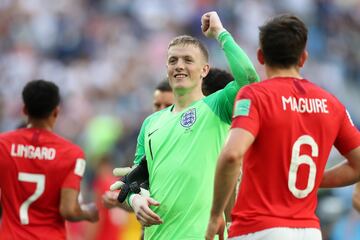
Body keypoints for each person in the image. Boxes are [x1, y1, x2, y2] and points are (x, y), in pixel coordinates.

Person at [205, 14, 360, 240]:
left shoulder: (256, 96)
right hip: (309, 232)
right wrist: (310, 177)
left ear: (260, 56)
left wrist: (215, 215)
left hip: (258, 229)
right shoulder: (330, 104)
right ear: (303, 58)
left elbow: (231, 155)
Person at [111, 11, 259, 240]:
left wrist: (220, 33)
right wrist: (135, 199)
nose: (179, 66)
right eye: (173, 60)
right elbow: (136, 180)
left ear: (205, 70)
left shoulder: (217, 105)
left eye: (188, 60)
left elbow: (249, 80)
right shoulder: (151, 123)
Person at [0, 80, 99, 240]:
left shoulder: (3, 145)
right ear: (56, 111)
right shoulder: (71, 153)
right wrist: (88, 213)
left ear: (24, 109)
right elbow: (68, 210)